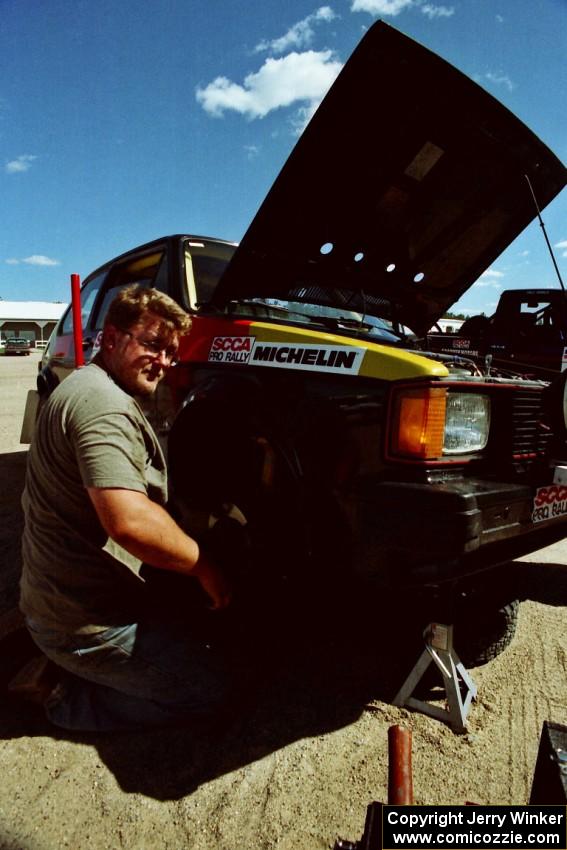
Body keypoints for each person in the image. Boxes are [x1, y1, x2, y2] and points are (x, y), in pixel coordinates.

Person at [14, 284, 232, 731]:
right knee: (208, 691)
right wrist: (204, 567)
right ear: (111, 339)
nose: (164, 362)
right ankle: (60, 694)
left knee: (185, 629)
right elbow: (130, 523)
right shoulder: (103, 407)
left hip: (63, 595)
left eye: (171, 352)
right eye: (152, 344)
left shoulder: (83, 384)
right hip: (81, 622)